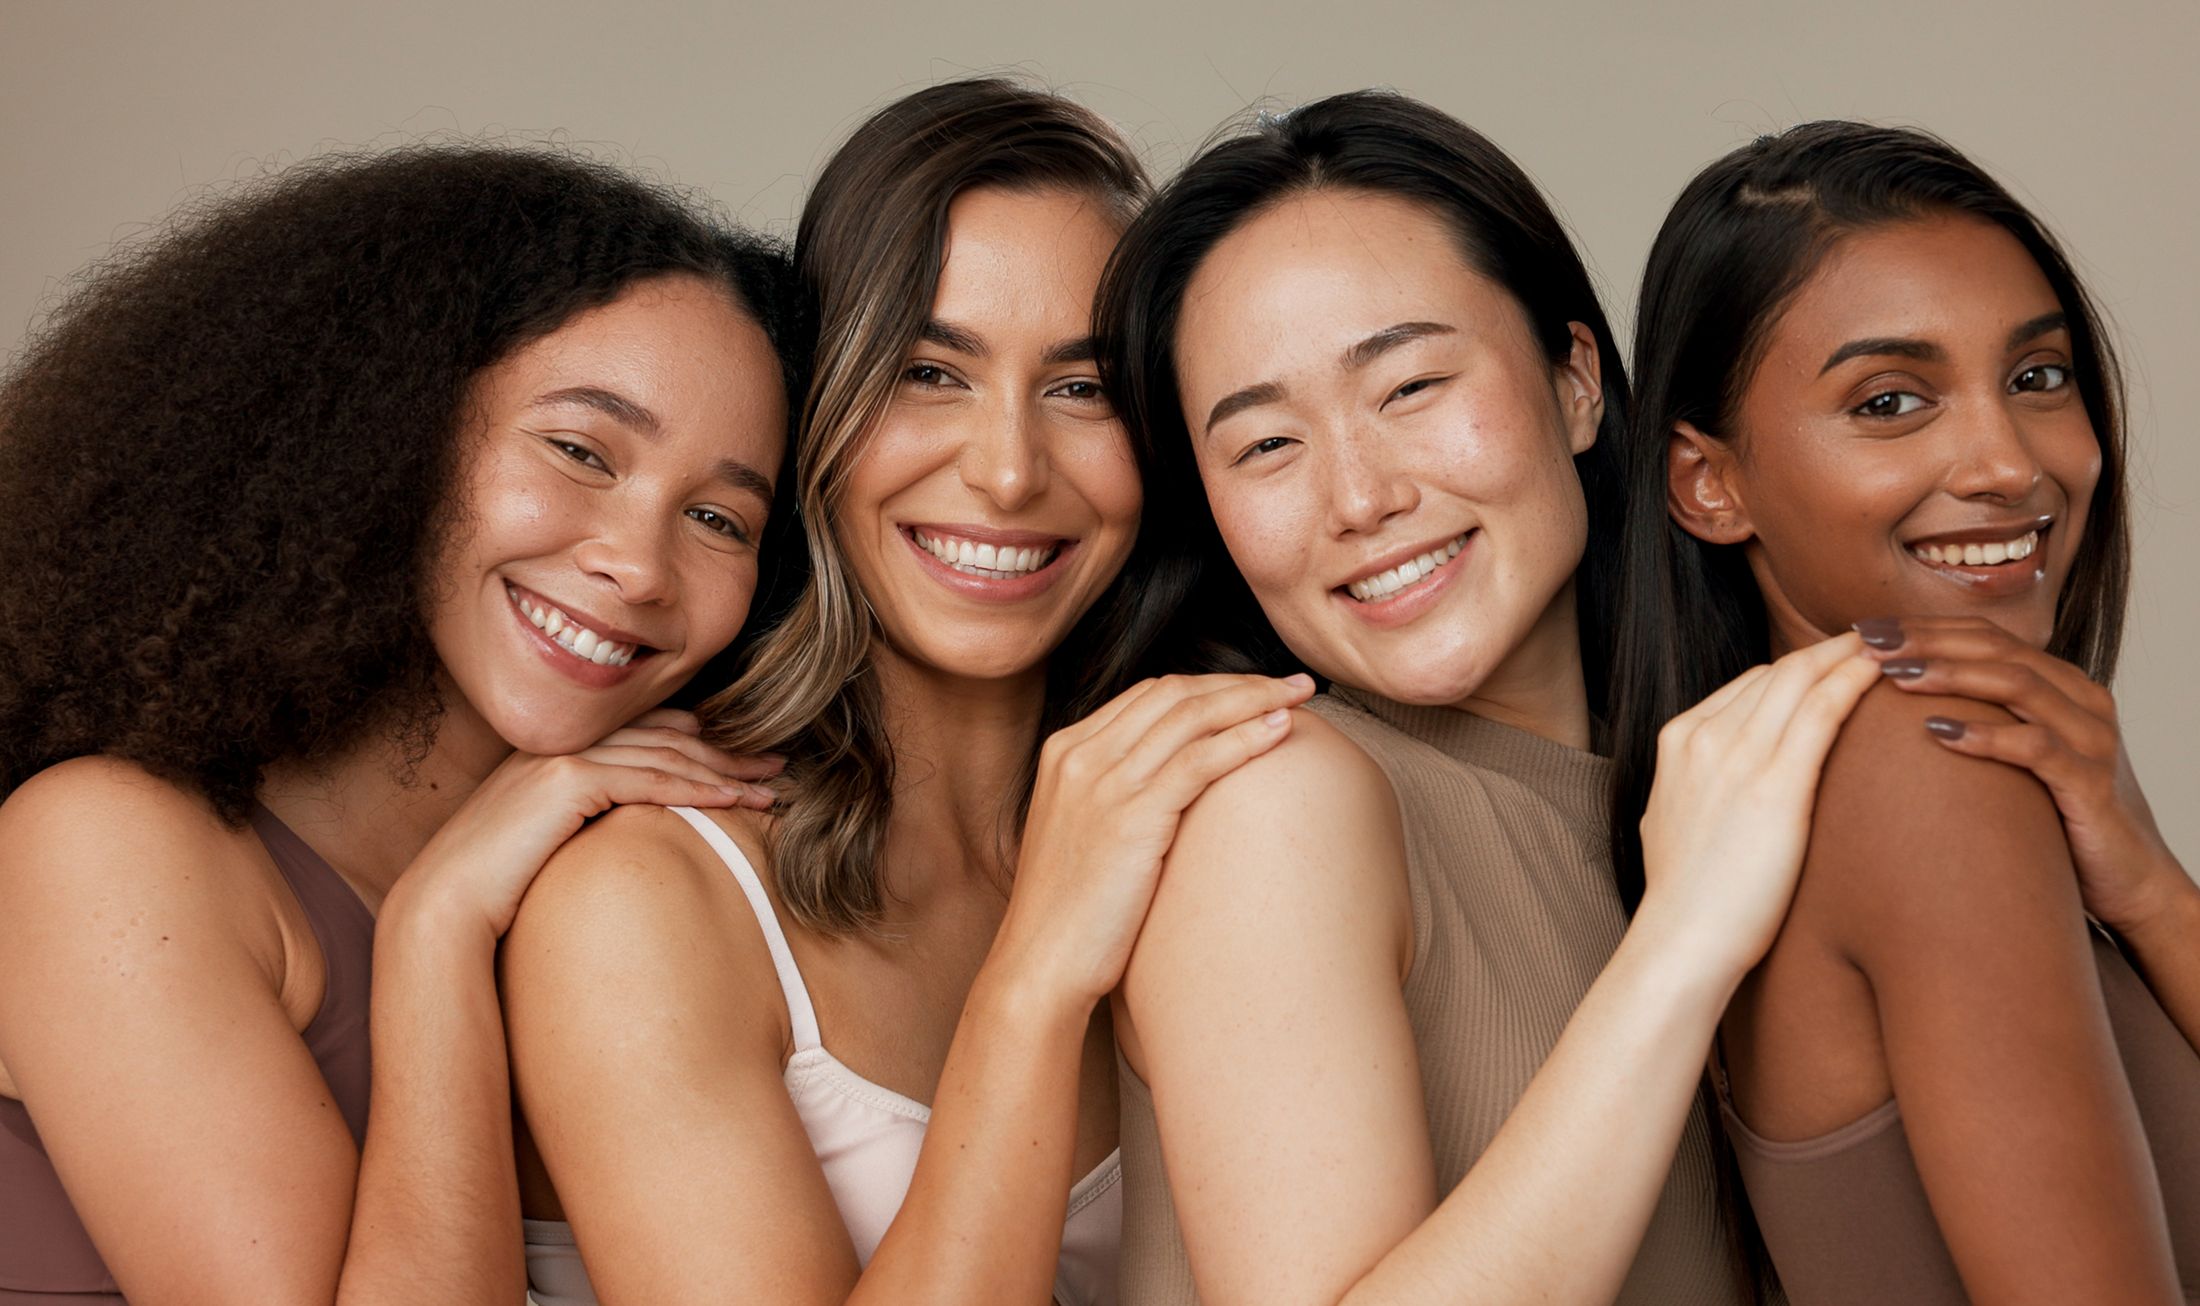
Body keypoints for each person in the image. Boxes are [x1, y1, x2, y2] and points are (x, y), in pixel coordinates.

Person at [501, 79, 1308, 1306]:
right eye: (931, 373)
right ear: (814, 404)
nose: (1004, 470)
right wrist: (1035, 977)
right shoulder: (642, 899)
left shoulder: (1212, 822)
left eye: (1081, 388)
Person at [1091, 90, 1882, 1305]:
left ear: (1573, 383)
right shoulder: (1272, 803)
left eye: (1408, 387)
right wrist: (1681, 947)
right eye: (1264, 445)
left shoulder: (1707, 782)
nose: (1358, 496)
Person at [0, 146, 805, 1304]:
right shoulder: (104, 845)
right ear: (390, 431)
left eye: (721, 518)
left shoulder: (618, 879)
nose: (637, 565)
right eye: (580, 451)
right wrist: (438, 927)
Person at [1611, 120, 2200, 1303]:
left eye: (2037, 378)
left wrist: (2146, 885)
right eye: (1890, 401)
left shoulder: (1818, 780)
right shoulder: (1924, 759)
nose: (2004, 463)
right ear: (1707, 483)